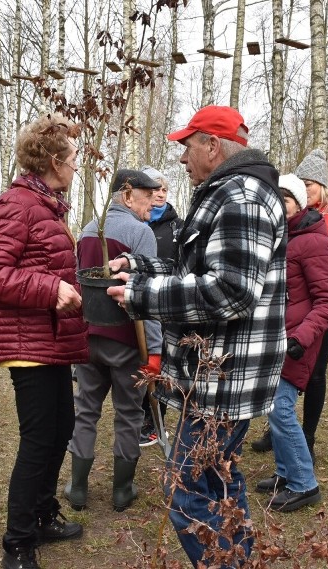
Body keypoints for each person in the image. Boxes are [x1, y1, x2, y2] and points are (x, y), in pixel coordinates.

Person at [106, 105, 287, 567]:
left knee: (183, 489)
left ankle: (226, 563)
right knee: (220, 482)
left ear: (213, 145)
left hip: (222, 376)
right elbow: (200, 269)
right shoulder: (228, 191)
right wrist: (140, 266)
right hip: (218, 372)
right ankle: (239, 560)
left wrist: (141, 295)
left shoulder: (242, 196)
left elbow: (230, 292)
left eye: (187, 147)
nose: (182, 160)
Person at [0, 113, 88, 569]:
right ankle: (17, 544)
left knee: (60, 430)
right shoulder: (16, 205)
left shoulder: (46, 205)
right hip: (28, 343)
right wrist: (50, 289)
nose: (77, 167)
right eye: (73, 159)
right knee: (39, 440)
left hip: (49, 340)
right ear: (55, 161)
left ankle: (41, 516)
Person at [64, 169, 163, 512]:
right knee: (129, 414)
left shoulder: (90, 228)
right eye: (148, 196)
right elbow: (147, 299)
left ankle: (78, 488)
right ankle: (122, 490)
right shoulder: (140, 233)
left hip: (89, 339)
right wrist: (155, 350)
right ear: (127, 194)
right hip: (126, 341)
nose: (154, 202)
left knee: (85, 411)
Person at [251, 149, 328, 460]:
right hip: (291, 307)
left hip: (323, 309)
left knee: (314, 374)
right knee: (284, 374)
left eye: (309, 183)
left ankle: (306, 434)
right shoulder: (288, 218)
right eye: (301, 183)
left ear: (322, 186)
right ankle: (279, 429)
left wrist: (315, 276)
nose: (305, 188)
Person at [255, 174, 328, 512]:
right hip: (274, 335)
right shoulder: (279, 235)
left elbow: (327, 300)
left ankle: (305, 483)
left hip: (296, 339)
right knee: (274, 409)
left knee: (280, 408)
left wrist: (301, 338)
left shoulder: (312, 240)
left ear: (299, 204)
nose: (278, 205)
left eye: (285, 199)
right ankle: (286, 473)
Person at [137, 164, 182, 447]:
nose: (161, 194)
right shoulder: (135, 221)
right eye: (155, 190)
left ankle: (156, 420)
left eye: (164, 189)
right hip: (138, 302)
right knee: (141, 360)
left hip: (165, 303)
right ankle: (140, 413)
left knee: (161, 361)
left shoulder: (176, 226)